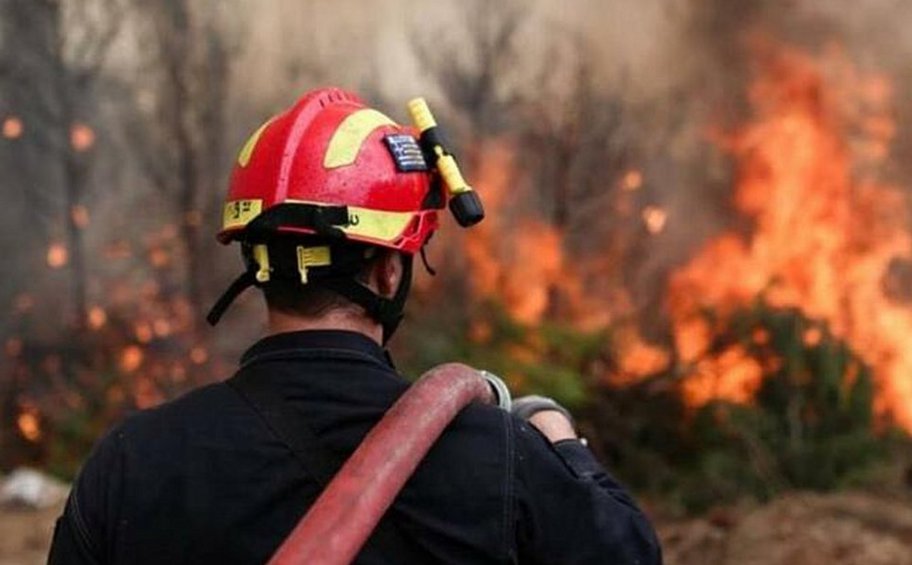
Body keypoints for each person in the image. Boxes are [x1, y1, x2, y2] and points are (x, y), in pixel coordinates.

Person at [48, 88, 662, 564]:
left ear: (255, 262)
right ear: (391, 271)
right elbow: (630, 552)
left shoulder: (133, 462)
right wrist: (557, 435)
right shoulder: (496, 458)